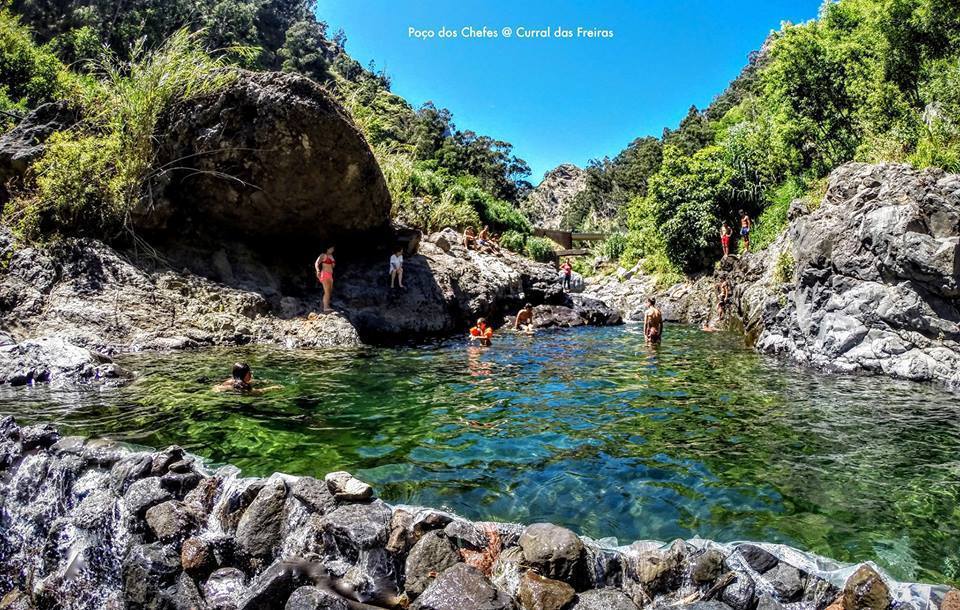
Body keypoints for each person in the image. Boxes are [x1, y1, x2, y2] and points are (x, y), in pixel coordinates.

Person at [215, 362, 281, 394]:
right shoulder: (242, 385)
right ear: (243, 375)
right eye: (249, 373)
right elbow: (256, 392)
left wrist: (262, 382)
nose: (251, 374)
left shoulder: (233, 380)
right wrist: (272, 388)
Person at [315, 246, 336, 313]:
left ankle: (326, 306)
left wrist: (332, 259)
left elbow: (333, 266)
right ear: (327, 248)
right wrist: (318, 271)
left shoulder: (331, 256)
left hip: (330, 275)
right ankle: (325, 307)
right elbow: (316, 263)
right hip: (325, 273)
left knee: (329, 291)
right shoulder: (323, 255)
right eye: (331, 248)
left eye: (333, 249)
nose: (332, 250)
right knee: (327, 291)